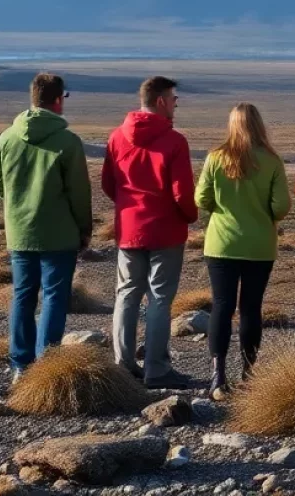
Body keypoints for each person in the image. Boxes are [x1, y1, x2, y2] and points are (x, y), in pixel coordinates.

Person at [0, 73, 92, 379]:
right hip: (59, 234)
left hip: (20, 232)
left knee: (23, 296)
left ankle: (20, 365)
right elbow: (78, 192)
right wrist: (84, 229)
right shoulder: (68, 142)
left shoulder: (7, 138)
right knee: (54, 298)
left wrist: (18, 206)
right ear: (59, 99)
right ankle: (46, 366)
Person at [103, 76, 197, 389]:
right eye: (173, 99)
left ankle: (123, 365)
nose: (175, 105)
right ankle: (156, 369)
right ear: (160, 101)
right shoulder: (174, 141)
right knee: (159, 298)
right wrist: (190, 215)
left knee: (127, 294)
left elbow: (108, 183)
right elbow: (182, 193)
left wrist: (128, 207)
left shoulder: (117, 137)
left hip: (129, 229)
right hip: (165, 230)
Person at [196, 103, 291, 399]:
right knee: (251, 308)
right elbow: (281, 206)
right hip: (259, 246)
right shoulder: (272, 161)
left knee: (222, 306)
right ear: (259, 125)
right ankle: (249, 376)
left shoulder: (216, 157)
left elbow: (201, 198)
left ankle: (218, 377)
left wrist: (223, 208)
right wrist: (262, 213)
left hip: (221, 245)